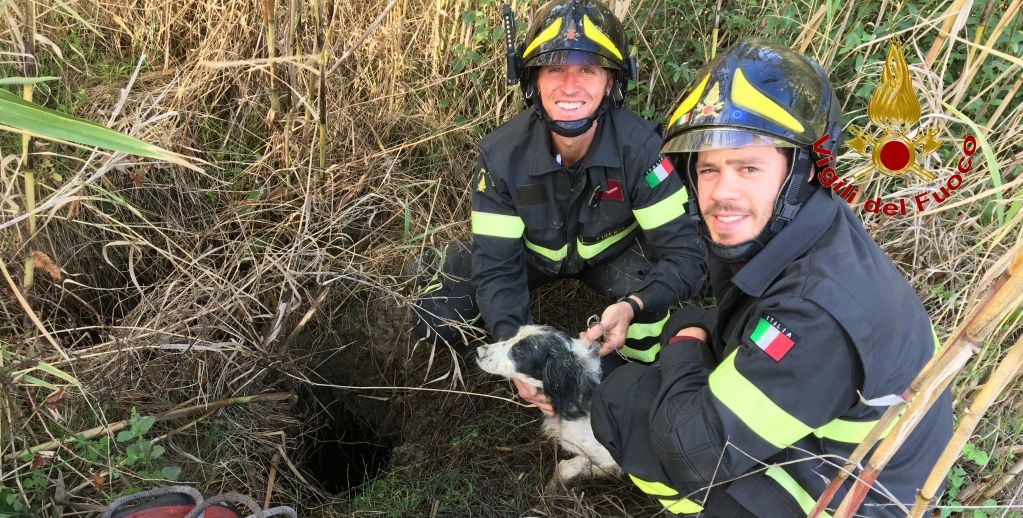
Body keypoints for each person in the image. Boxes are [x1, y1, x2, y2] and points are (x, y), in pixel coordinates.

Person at [589, 38, 953, 516]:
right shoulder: (812, 227)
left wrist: (683, 341)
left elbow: (693, 453)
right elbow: (746, 326)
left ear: (804, 169)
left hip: (845, 500)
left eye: (748, 167)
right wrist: (687, 333)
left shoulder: (815, 312)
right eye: (709, 169)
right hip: (843, 457)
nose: (722, 193)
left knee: (625, 399)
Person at [408, 0, 706, 413]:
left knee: (649, 310)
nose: (570, 86)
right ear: (531, 79)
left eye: (588, 70)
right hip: (530, 257)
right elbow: (498, 268)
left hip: (612, 258)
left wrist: (633, 304)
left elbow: (685, 255)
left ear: (612, 82)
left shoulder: (643, 152)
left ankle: (633, 384)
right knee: (434, 315)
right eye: (554, 69)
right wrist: (514, 350)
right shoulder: (501, 157)